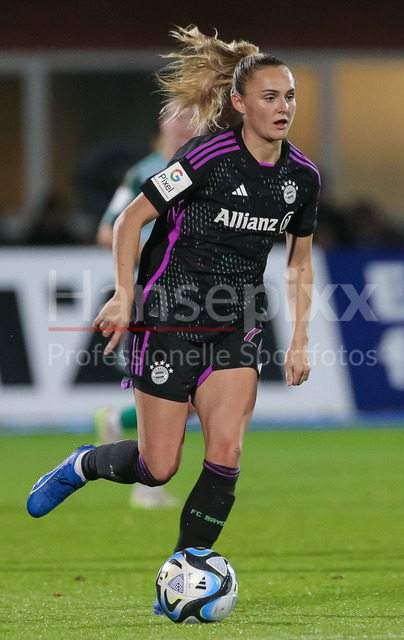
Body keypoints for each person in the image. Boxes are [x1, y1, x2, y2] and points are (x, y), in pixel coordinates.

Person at [27, 25, 319, 614]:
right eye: (269, 96)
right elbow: (131, 219)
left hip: (236, 323)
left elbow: (299, 261)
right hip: (169, 320)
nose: (282, 107)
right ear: (239, 103)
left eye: (289, 96)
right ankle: (85, 463)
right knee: (158, 467)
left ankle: (183, 575)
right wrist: (124, 294)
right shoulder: (207, 158)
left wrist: (300, 340)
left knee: (227, 451)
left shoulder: (301, 178)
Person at [94, 107, 201, 509]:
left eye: (193, 117)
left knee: (196, 396)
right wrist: (158, 256)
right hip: (153, 294)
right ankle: (147, 486)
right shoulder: (145, 172)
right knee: (169, 390)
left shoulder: (207, 164)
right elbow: (108, 229)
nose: (186, 123)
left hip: (195, 295)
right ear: (163, 123)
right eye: (179, 116)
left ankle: (117, 421)